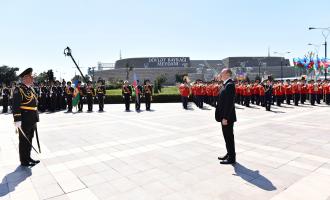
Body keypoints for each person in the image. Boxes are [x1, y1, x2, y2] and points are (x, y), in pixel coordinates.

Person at [12, 68, 40, 167]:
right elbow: (15, 105)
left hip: (32, 119)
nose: (32, 78)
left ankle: (28, 157)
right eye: (30, 77)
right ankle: (24, 161)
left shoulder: (30, 89)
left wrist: (36, 118)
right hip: (24, 119)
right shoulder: (19, 89)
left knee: (30, 138)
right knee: (24, 140)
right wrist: (17, 120)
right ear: (25, 78)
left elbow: (34, 104)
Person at [215, 68, 237, 165]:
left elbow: (229, 103)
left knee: (229, 137)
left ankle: (232, 158)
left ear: (227, 74)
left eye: (222, 73)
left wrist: (225, 118)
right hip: (224, 116)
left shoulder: (230, 85)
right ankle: (229, 153)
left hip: (226, 117)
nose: (220, 74)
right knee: (226, 137)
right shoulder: (225, 84)